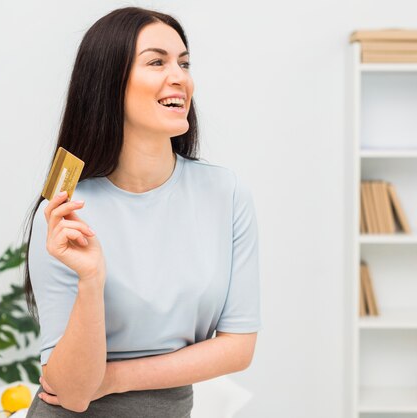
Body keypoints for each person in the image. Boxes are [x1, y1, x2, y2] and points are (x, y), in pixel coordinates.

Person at [22, 7, 261, 417]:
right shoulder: (66, 211)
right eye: (157, 61)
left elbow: (238, 348)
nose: (180, 77)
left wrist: (115, 378)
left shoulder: (226, 192)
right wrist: (91, 280)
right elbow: (74, 393)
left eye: (183, 63)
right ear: (108, 83)